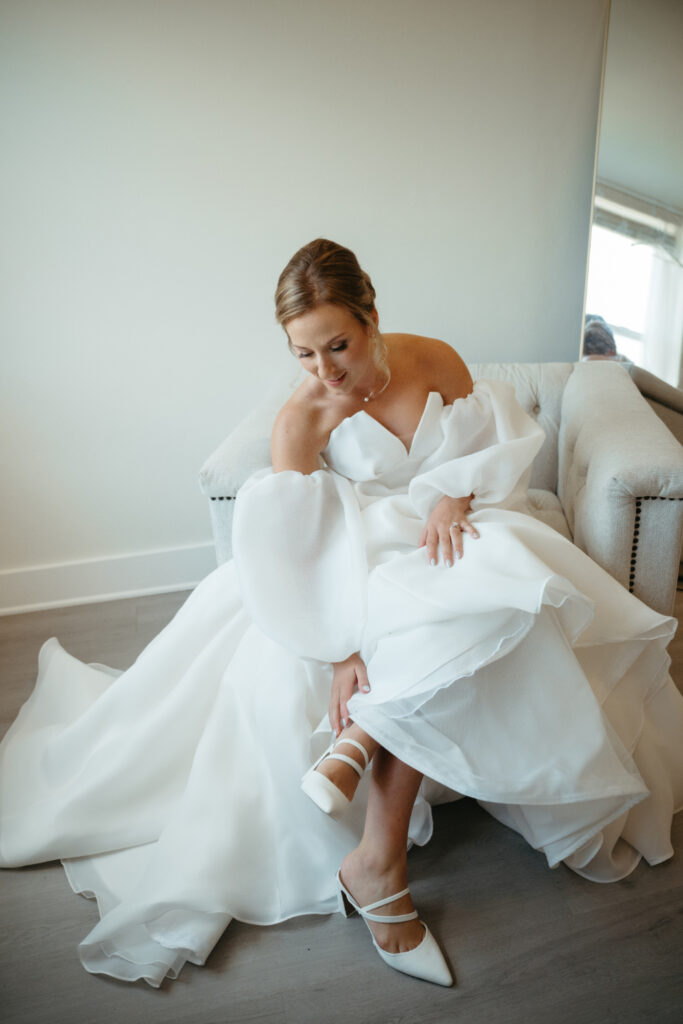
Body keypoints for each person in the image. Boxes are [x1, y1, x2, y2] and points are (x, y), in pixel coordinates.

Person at [1, 240, 682, 990]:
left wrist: (453, 492)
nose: (324, 370)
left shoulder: (435, 362)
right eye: (302, 354)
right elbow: (296, 548)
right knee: (423, 614)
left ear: (371, 319)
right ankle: (374, 850)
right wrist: (335, 648)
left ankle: (361, 765)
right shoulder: (301, 420)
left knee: (487, 574)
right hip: (357, 553)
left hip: (449, 533)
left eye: (338, 345)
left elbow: (491, 450)